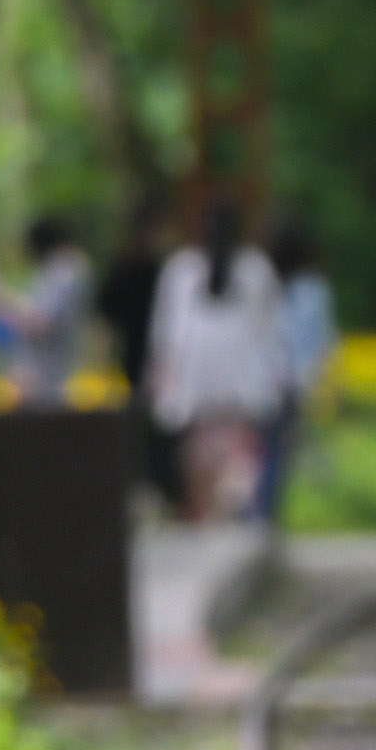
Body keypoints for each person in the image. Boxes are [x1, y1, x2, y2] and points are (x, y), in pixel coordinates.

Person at [149, 201, 288, 522]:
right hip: (243, 382)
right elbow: (271, 332)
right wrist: (276, 378)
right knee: (237, 454)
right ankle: (230, 514)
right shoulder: (255, 267)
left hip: (193, 382)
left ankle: (202, 517)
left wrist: (160, 381)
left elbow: (166, 333)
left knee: (198, 456)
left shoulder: (181, 268)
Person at [256, 220, 338, 528]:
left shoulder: (259, 280)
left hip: (261, 381)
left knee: (258, 452)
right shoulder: (313, 287)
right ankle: (266, 515)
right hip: (293, 381)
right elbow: (323, 338)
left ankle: (256, 515)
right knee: (276, 453)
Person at [97, 201, 180, 506]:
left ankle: (153, 490)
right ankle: (150, 489)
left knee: (151, 430)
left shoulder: (159, 268)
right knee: (148, 431)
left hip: (153, 361)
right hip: (144, 360)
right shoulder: (160, 270)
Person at [5, 213, 94, 407]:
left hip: (49, 381)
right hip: (51, 378)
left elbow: (43, 322)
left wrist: (6, 305)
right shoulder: (66, 268)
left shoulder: (64, 270)